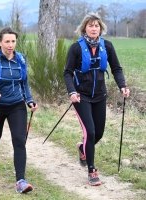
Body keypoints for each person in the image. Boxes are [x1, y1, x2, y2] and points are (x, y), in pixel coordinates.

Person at [63, 12, 130, 186]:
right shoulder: (76, 48)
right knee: (90, 132)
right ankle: (92, 170)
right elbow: (68, 73)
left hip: (100, 96)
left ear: (101, 28)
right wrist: (72, 92)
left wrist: (122, 85)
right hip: (81, 97)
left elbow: (116, 68)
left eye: (97, 25)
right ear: (85, 27)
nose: (94, 28)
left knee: (98, 133)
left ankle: (82, 147)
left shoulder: (107, 46)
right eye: (91, 25)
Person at [0, 27, 38, 193]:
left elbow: (24, 82)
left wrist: (29, 100)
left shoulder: (21, 59)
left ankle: (20, 180)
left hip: (16, 105)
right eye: (7, 41)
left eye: (13, 41)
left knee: (19, 140)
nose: (10, 45)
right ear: (0, 42)